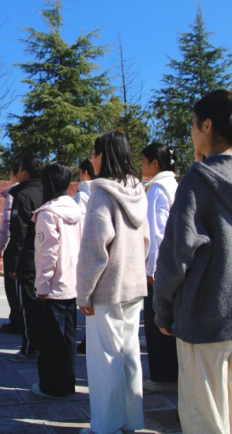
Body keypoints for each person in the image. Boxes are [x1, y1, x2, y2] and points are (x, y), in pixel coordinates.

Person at [154, 89, 232, 434]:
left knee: (205, 420)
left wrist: (163, 309)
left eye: (193, 124)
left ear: (207, 126)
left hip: (205, 316)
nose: (191, 130)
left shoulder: (197, 181)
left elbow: (176, 255)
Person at [76, 131, 150, 434]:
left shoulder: (102, 192)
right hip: (134, 284)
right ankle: (131, 421)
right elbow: (145, 240)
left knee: (105, 359)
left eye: (94, 153)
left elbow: (94, 248)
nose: (91, 159)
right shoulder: (138, 190)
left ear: (103, 156)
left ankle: (105, 426)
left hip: (107, 288)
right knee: (130, 355)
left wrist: (84, 292)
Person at [31, 162, 81, 399]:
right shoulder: (77, 210)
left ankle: (51, 386)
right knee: (68, 338)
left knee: (50, 341)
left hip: (53, 287)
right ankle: (68, 382)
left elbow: (47, 253)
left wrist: (42, 285)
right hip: (73, 284)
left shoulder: (48, 213)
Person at [140, 143, 179, 394]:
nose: (141, 166)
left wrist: (151, 270)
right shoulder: (175, 184)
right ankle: (173, 372)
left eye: (144, 161)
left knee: (158, 324)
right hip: (175, 264)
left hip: (159, 267)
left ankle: (163, 376)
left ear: (155, 163)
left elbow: (156, 233)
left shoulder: (156, 189)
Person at [5, 157, 45, 362]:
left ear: (25, 174)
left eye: (19, 169)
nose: (17, 173)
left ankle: (29, 348)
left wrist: (12, 263)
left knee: (28, 306)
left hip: (28, 260)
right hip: (46, 258)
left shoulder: (22, 196)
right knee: (42, 305)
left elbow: (18, 234)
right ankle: (42, 345)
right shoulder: (47, 192)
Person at [0, 163, 22, 335]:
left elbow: (7, 224)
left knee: (11, 286)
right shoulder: (37, 191)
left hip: (13, 246)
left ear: (15, 175)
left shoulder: (13, 193)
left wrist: (0, 246)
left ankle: (16, 320)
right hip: (29, 246)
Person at [75, 159, 96, 355]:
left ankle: (88, 341)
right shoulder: (102, 191)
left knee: (86, 299)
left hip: (85, 250)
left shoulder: (81, 196)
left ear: (86, 173)